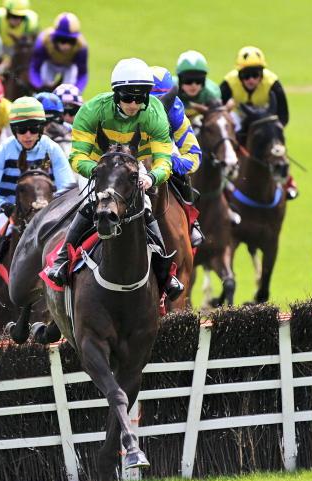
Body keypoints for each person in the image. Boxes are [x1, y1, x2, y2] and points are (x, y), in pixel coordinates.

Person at [45, 58, 183, 300]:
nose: (134, 104)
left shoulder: (155, 113)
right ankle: (61, 260)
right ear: (116, 94)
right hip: (97, 166)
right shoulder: (92, 110)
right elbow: (77, 157)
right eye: (128, 98)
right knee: (92, 201)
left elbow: (164, 161)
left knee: (146, 207)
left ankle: (164, 272)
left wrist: (152, 177)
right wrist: (100, 172)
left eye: (140, 98)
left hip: (131, 166)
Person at [0, 96, 72, 250]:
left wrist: (48, 206)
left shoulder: (52, 149)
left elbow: (67, 189)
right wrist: (3, 206)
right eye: (22, 130)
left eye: (33, 129)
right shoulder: (2, 152)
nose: (28, 135)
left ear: (41, 129)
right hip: (11, 214)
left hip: (48, 213)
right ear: (14, 130)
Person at [220, 46, 297, 199]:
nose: (251, 80)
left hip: (265, 118)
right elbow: (217, 111)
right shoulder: (228, 83)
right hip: (239, 118)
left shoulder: (273, 83)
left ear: (262, 74)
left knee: (276, 146)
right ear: (239, 75)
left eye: (256, 75)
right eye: (246, 76)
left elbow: (284, 115)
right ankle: (224, 177)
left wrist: (275, 131)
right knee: (227, 140)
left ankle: (288, 182)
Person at [150, 66, 204, 247]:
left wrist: (171, 162)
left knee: (182, 176)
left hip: (164, 152)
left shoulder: (175, 109)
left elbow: (194, 155)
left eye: (162, 101)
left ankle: (191, 221)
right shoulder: (127, 105)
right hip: (131, 153)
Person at [29, 12, 88, 93]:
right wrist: (39, 86)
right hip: (49, 64)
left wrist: (76, 91)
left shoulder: (81, 46)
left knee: (68, 89)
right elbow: (35, 68)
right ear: (55, 38)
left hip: (69, 67)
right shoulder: (43, 41)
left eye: (71, 41)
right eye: (62, 40)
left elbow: (82, 74)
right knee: (44, 89)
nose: (66, 46)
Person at [0, 0, 39, 72]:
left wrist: (10, 60)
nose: (17, 20)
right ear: (6, 12)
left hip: (16, 48)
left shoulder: (30, 22)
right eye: (13, 16)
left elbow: (29, 47)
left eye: (21, 17)